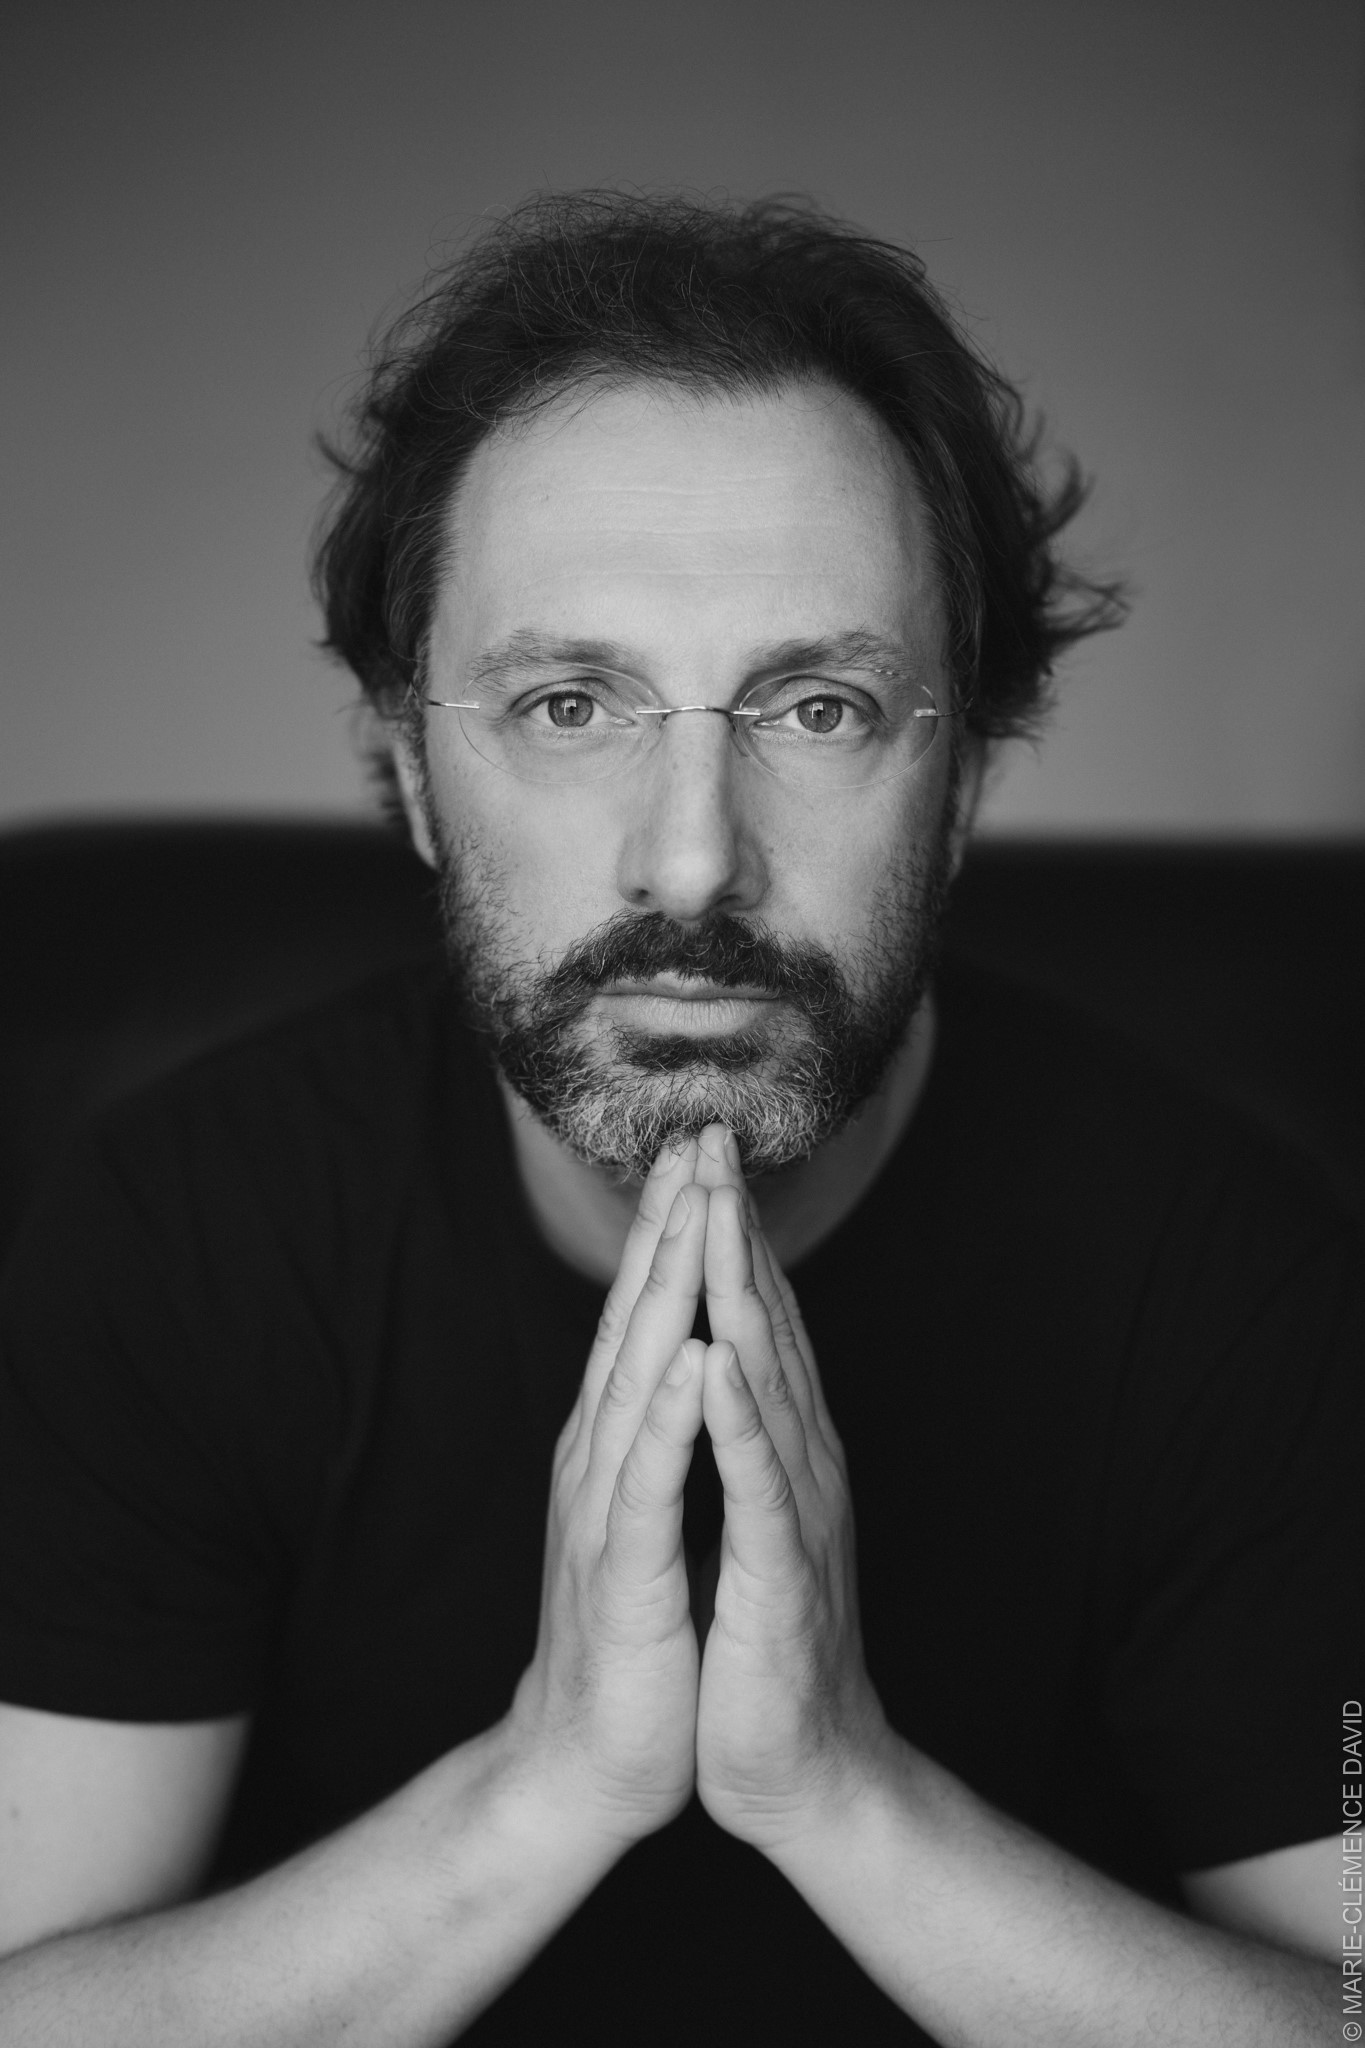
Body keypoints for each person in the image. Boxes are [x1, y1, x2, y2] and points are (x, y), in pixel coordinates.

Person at [0, 194, 1352, 2045]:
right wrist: (547, 1784)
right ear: (412, 774)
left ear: (960, 781)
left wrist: (841, 1794)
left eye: (818, 707)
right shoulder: (175, 1242)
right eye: (571, 703)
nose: (695, 859)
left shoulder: (1248, 1293)